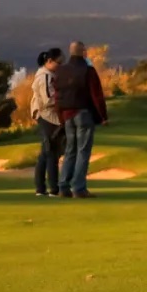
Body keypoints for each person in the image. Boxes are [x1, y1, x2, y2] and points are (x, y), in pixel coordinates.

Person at [55, 41, 108, 199]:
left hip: (66, 114)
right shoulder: (88, 70)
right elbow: (96, 95)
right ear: (83, 52)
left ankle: (63, 186)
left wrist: (60, 117)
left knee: (70, 150)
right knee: (83, 151)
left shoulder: (61, 71)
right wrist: (103, 117)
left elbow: (57, 96)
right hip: (83, 114)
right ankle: (79, 188)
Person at [31, 48, 65, 197]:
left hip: (48, 116)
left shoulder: (49, 75)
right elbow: (48, 100)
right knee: (51, 152)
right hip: (47, 116)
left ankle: (40, 188)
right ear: (49, 61)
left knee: (45, 153)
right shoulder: (45, 77)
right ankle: (54, 189)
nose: (61, 66)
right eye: (59, 62)